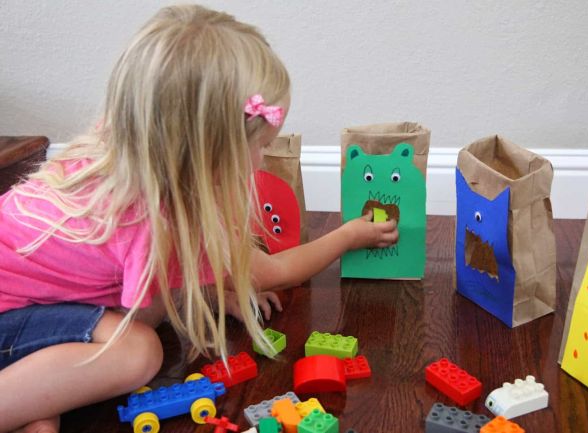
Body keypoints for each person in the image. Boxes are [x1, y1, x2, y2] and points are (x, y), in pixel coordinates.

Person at [0, 5, 398, 433]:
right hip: (10, 316)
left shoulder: (127, 151)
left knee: (135, 322)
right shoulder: (158, 220)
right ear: (208, 154)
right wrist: (349, 235)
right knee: (140, 352)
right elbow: (272, 272)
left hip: (30, 303)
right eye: (260, 146)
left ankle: (31, 402)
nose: (262, 159)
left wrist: (208, 290)